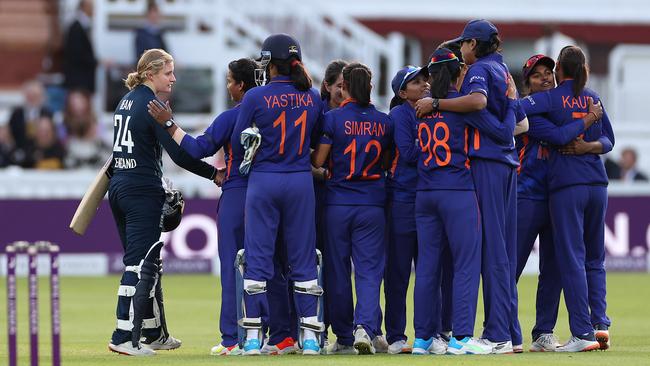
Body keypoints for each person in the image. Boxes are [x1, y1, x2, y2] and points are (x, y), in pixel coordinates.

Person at [415, 19, 525, 353]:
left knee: (490, 250)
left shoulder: (478, 72)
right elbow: (521, 123)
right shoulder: (504, 71)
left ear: (474, 46)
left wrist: (436, 103)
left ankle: (497, 334)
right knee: (503, 251)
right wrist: (503, 125)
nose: (462, 50)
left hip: (484, 164)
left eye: (464, 44)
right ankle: (511, 333)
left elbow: (476, 104)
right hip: (506, 163)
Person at [107, 48, 218, 356]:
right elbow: (181, 153)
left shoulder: (124, 101)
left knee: (149, 263)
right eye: (168, 72)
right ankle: (123, 336)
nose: (173, 78)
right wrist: (213, 174)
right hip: (141, 190)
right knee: (139, 264)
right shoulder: (153, 105)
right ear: (151, 73)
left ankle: (154, 333)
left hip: (119, 187)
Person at [148, 57, 258, 356]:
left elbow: (198, 148)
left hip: (237, 193)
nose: (228, 87)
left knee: (233, 268)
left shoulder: (231, 117)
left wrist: (169, 123)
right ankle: (273, 335)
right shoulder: (276, 113)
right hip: (270, 194)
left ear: (241, 85)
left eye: (230, 81)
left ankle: (233, 339)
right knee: (267, 266)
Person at [231, 33, 325, 355]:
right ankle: (311, 338)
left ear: (269, 63)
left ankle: (254, 338)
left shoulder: (256, 97)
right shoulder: (312, 96)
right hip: (300, 180)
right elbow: (318, 136)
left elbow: (237, 142)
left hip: (264, 181)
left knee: (257, 259)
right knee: (302, 259)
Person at [519, 45, 614, 352]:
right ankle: (599, 325)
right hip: (550, 191)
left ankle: (563, 332)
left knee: (563, 263)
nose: (545, 78)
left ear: (559, 70)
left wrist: (585, 144)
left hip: (564, 190)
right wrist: (588, 124)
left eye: (549, 72)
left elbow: (521, 110)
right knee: (591, 260)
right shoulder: (590, 99)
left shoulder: (553, 99)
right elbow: (604, 139)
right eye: (537, 75)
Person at [312, 62, 393, 355]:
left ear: (343, 86)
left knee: (338, 271)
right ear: (370, 87)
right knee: (370, 271)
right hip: (372, 203)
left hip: (337, 204)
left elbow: (319, 162)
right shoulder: (384, 122)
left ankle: (345, 336)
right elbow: (385, 162)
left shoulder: (333, 120)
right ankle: (366, 327)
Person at [383, 64, 429, 355]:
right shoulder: (400, 114)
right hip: (402, 198)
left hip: (425, 197)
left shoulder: (431, 109)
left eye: (425, 79)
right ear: (402, 92)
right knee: (399, 272)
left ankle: (430, 332)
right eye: (416, 81)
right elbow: (409, 153)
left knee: (429, 271)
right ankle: (396, 336)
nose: (424, 84)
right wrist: (437, 144)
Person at [314, 59, 348, 349]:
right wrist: (321, 172)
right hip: (317, 198)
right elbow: (298, 152)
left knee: (341, 269)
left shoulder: (356, 113)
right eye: (339, 86)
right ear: (326, 86)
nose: (344, 92)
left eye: (348, 86)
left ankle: (351, 331)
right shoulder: (316, 112)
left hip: (344, 199)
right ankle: (317, 329)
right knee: (317, 265)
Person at [63, 0, 98, 94]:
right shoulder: (76, 28)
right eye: (91, 7)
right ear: (84, 7)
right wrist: (97, 62)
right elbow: (78, 54)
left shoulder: (83, 26)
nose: (94, 10)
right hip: (78, 80)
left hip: (82, 79)